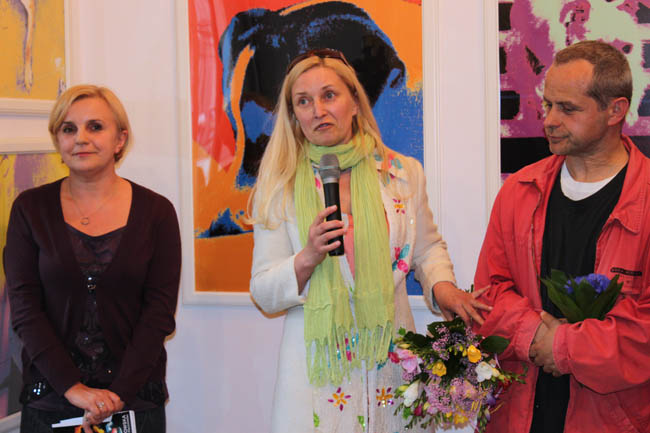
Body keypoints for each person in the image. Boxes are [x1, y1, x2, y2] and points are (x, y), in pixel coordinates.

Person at [248, 49, 490, 433]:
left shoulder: (402, 173)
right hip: (317, 377)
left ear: (355, 103)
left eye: (329, 95)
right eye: (303, 101)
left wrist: (443, 288)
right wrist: (307, 257)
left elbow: (427, 249)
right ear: (294, 116)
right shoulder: (279, 186)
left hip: (391, 366)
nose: (318, 111)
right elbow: (263, 291)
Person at [474, 40, 650, 433]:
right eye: (548, 104)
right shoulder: (519, 190)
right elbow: (489, 293)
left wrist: (567, 348)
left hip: (613, 420)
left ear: (615, 110)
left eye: (568, 109)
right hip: (519, 415)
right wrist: (535, 335)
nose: (549, 120)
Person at [3, 85, 181, 433]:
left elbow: (159, 313)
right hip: (51, 399)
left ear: (120, 139)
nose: (81, 138)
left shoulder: (157, 212)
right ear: (58, 140)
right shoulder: (29, 209)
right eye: (68, 129)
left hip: (133, 401)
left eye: (95, 127)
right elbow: (25, 310)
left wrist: (117, 394)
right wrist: (73, 388)